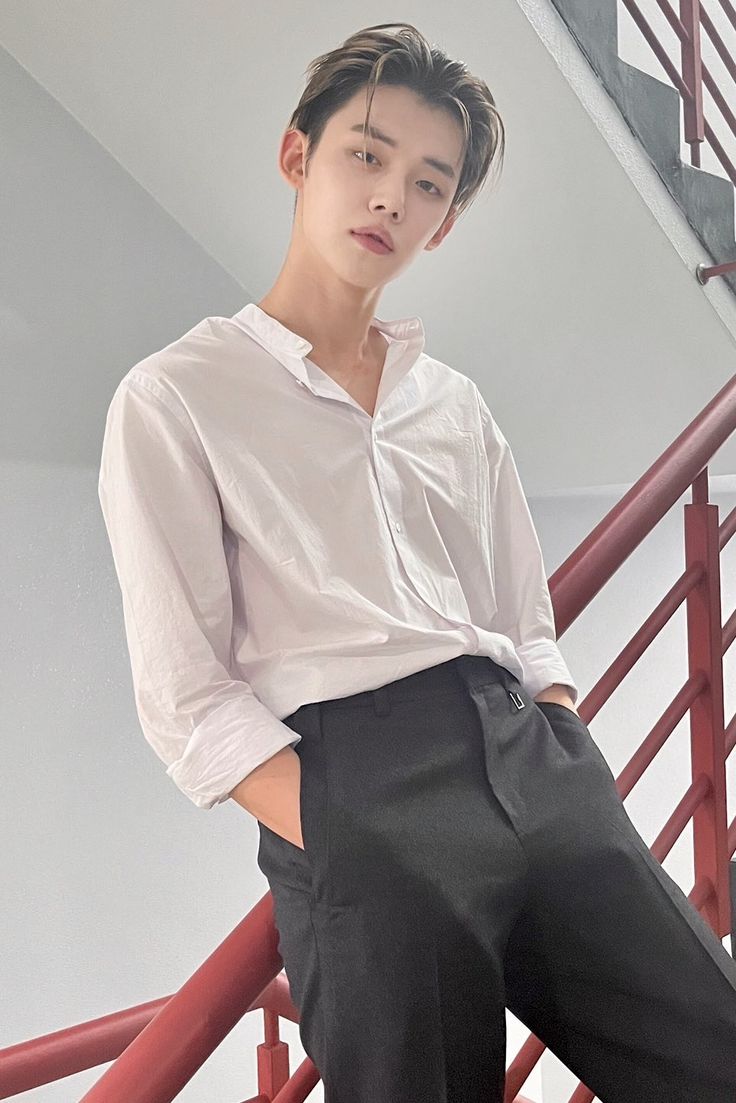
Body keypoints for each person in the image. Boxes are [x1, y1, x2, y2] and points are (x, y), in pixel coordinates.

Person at [97, 21, 736, 1103]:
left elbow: (519, 615)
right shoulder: (175, 396)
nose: (392, 195)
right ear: (299, 157)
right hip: (357, 790)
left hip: (532, 763)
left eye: (429, 183)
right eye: (367, 154)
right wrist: (342, 826)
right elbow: (187, 690)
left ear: (442, 224)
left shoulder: (454, 404)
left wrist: (563, 736)